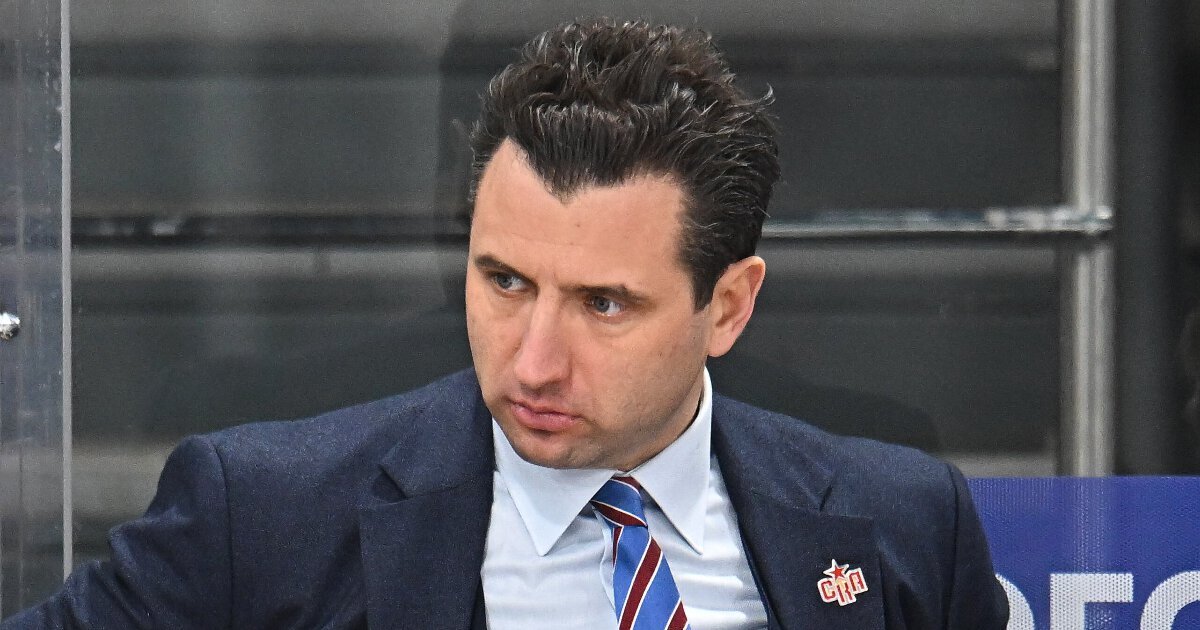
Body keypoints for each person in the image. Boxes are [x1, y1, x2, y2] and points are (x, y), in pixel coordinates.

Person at [4, 19, 1008, 629]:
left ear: (729, 306)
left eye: (604, 304)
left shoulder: (903, 523)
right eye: (506, 281)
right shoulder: (262, 518)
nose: (532, 362)